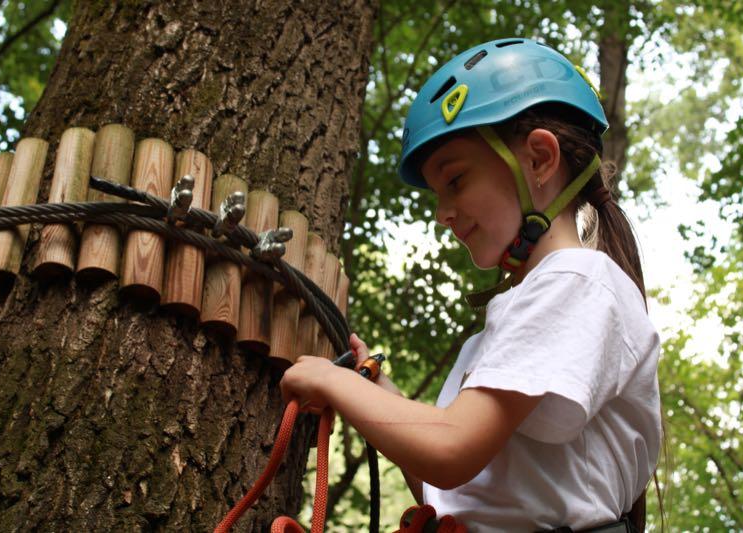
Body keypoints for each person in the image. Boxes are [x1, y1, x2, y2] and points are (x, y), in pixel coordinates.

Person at [280, 38, 662, 532]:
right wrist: (373, 387)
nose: (442, 214)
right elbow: (451, 487)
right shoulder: (517, 321)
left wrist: (330, 381)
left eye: (455, 180)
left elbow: (450, 449)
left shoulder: (575, 280)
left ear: (540, 159)